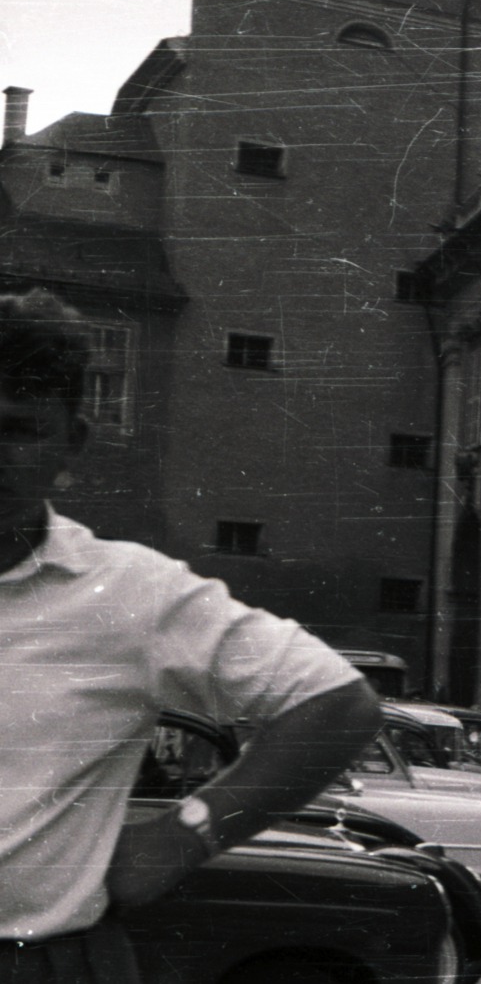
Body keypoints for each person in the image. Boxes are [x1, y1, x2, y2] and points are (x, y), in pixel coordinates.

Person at [0, 288, 382, 981]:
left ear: (71, 442)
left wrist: (182, 835)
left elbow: (338, 703)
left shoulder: (128, 591)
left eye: (17, 428)